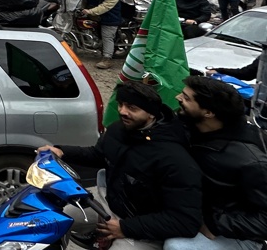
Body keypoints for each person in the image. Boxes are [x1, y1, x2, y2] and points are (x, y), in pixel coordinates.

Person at [40, 81, 203, 250]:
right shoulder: (119, 129)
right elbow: (99, 155)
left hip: (144, 229)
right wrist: (61, 151)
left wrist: (125, 228)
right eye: (121, 104)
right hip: (107, 207)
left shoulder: (174, 158)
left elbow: (185, 221)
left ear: (151, 114)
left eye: (132, 107)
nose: (122, 111)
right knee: (51, 222)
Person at [167, 76, 267, 250]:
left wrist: (215, 224)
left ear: (208, 113)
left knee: (176, 246)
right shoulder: (192, 126)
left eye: (186, 98)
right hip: (193, 212)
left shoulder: (251, 160)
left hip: (234, 233)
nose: (178, 98)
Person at [80, 0, 123, 69]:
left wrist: (89, 11)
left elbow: (104, 7)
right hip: (95, 18)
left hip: (110, 19)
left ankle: (107, 59)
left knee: (107, 37)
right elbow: (84, 2)